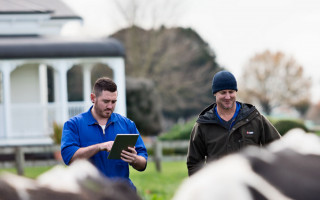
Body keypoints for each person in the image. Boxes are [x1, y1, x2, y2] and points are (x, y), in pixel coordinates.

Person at [187, 70, 281, 176]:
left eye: (231, 92)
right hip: (218, 188)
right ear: (215, 93)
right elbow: (194, 163)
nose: (227, 97)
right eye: (223, 92)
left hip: (249, 187)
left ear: (235, 92)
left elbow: (278, 148)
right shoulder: (203, 125)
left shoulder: (254, 118)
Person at [61, 77, 148, 190]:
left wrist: (134, 159)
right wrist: (100, 147)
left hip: (122, 194)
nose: (110, 106)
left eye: (113, 102)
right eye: (106, 101)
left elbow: (143, 163)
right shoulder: (73, 125)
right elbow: (70, 158)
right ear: (93, 98)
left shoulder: (127, 124)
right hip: (89, 194)